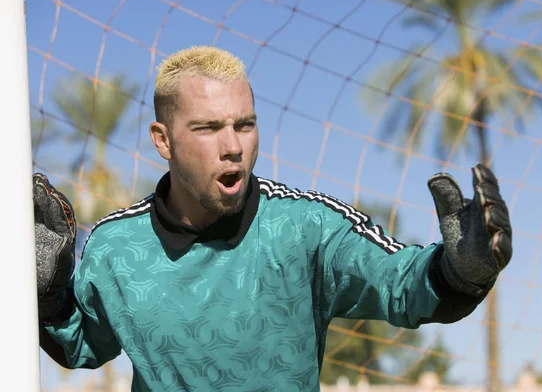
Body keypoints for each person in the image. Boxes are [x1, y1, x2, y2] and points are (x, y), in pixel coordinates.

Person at [34, 46, 512, 391]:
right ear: (163, 140)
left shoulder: (307, 227)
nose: (234, 145)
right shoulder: (116, 246)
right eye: (207, 128)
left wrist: (456, 272)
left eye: (245, 124)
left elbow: (399, 280)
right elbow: (80, 344)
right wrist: (43, 290)